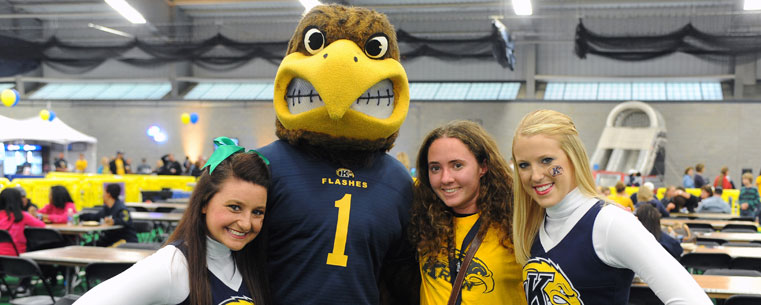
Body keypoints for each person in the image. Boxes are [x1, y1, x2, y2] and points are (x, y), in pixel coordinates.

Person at [511, 109, 710, 305]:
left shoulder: (610, 222)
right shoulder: (530, 225)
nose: (535, 175)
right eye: (523, 165)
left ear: (574, 158)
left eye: (546, 161)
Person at [74, 138, 271, 305]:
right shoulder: (172, 266)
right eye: (234, 207)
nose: (246, 223)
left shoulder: (248, 260)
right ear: (204, 203)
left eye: (257, 212)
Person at [409, 121, 522, 305]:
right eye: (435, 168)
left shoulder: (517, 222)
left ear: (483, 167)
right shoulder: (423, 214)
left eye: (457, 166)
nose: (445, 179)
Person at [0, 188, 46, 296]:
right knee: (31, 251)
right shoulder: (22, 215)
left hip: (1, 259)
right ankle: (23, 286)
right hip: (18, 259)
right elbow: (41, 226)